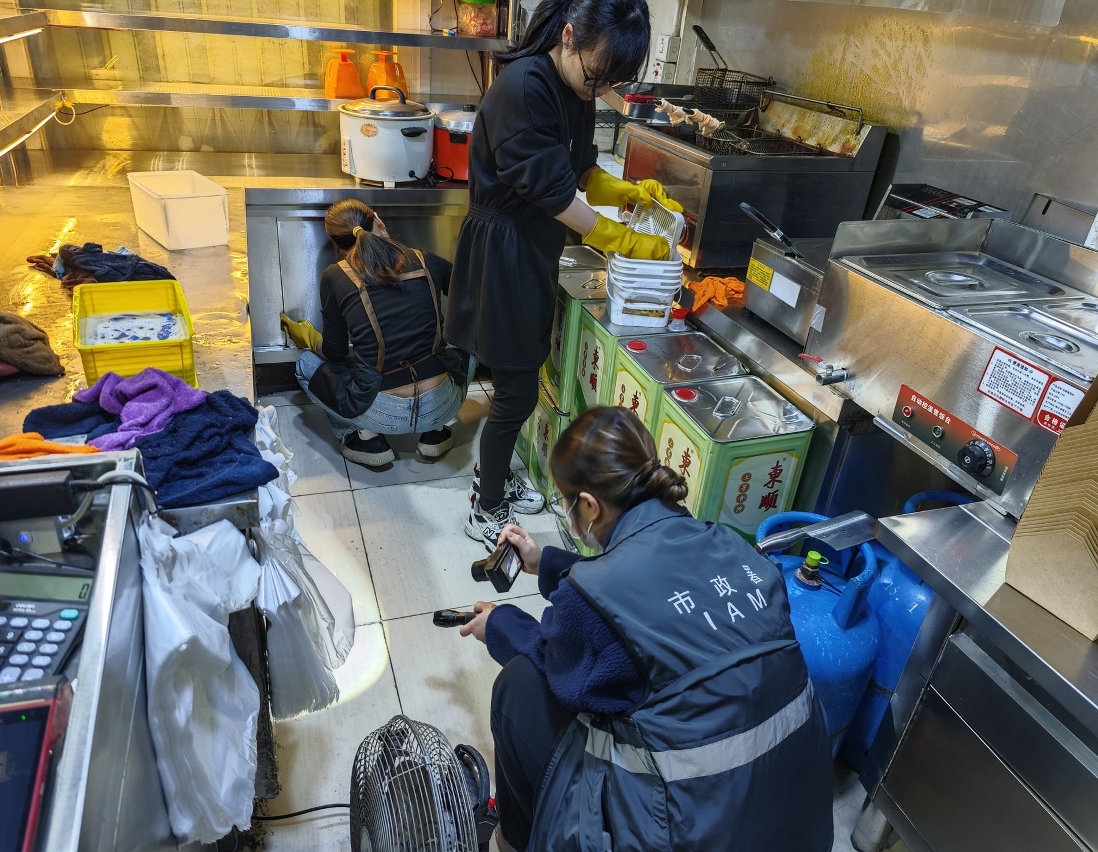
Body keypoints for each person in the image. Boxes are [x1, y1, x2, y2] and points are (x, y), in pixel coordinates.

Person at [459, 407, 834, 852]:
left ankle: (516, 842)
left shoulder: (591, 596)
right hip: (801, 821)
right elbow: (651, 593)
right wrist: (547, 562)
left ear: (589, 505)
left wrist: (499, 623)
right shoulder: (733, 545)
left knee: (519, 685)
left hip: (689, 832)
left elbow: (560, 661)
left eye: (566, 500)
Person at [445, 0, 684, 550]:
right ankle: (486, 503)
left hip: (531, 249)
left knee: (520, 379)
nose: (597, 90)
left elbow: (577, 171)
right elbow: (554, 195)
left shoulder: (575, 88)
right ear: (570, 35)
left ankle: (494, 475)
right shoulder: (526, 86)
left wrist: (625, 193)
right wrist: (622, 238)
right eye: (596, 76)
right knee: (515, 391)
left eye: (609, 84)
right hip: (503, 253)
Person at [286, 200, 473, 468]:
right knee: (471, 348)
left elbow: (335, 353)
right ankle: (435, 431)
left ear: (337, 244)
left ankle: (364, 438)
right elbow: (470, 299)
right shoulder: (424, 260)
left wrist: (310, 339)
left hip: (379, 412)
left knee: (305, 364)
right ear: (378, 220)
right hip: (443, 402)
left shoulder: (335, 276)